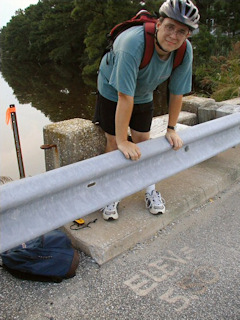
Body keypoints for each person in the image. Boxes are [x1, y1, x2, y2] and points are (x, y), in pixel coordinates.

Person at [93, 0, 200, 221]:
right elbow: (124, 96)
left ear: (187, 35)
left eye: (181, 31)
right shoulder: (133, 44)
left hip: (144, 91)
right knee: (114, 143)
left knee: (144, 141)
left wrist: (171, 128)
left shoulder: (184, 51)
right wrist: (123, 141)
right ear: (159, 23)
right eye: (170, 26)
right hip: (113, 89)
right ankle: (111, 193)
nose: (174, 35)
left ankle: (150, 190)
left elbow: (177, 92)